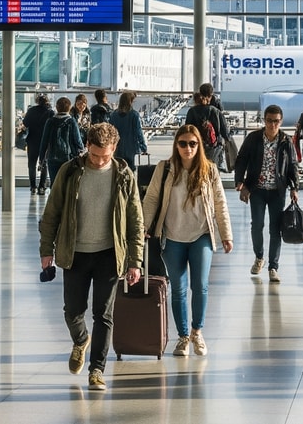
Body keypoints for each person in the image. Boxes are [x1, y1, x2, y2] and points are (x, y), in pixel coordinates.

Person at [38, 122, 144, 391]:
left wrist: (135, 261)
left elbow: (135, 219)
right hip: (75, 253)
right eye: (95, 155)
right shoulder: (70, 171)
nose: (99, 161)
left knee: (103, 314)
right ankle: (80, 340)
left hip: (110, 254)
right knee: (72, 311)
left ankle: (97, 369)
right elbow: (51, 214)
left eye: (105, 155)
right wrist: (46, 251)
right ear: (87, 146)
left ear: (114, 149)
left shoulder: (123, 174)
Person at [140, 125, 233, 357]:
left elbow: (220, 204)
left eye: (193, 143)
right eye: (183, 143)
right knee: (179, 289)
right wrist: (143, 226)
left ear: (199, 145)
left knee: (200, 286)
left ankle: (197, 332)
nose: (188, 148)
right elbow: (151, 199)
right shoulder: (165, 169)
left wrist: (226, 235)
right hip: (172, 236)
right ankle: (182, 337)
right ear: (176, 145)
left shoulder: (209, 170)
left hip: (201, 235)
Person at [233, 105, 300, 283]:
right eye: (269, 121)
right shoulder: (254, 138)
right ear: (264, 120)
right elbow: (242, 159)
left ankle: (273, 266)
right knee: (257, 225)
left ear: (281, 121)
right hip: (257, 189)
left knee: (275, 229)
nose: (272, 125)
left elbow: (293, 165)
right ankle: (259, 256)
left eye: (276, 121)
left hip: (278, 190)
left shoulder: (286, 141)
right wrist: (240, 181)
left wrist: (295, 187)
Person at [183, 84, 229, 168]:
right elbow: (225, 133)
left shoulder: (192, 111)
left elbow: (187, 130)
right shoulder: (216, 111)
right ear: (211, 95)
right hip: (213, 147)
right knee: (212, 170)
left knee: (197, 169)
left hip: (196, 146)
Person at [43, 97, 84, 186]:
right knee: (67, 183)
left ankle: (54, 199)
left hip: (52, 157)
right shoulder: (71, 121)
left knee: (54, 184)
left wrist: (41, 157)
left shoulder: (50, 122)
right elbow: (78, 140)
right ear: (69, 108)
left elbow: (44, 141)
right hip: (68, 158)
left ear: (57, 107)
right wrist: (82, 150)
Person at [22, 94, 56, 195]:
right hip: (45, 141)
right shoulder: (50, 112)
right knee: (44, 163)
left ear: (37, 101)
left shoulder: (32, 110)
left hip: (32, 140)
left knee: (31, 164)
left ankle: (33, 186)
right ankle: (42, 186)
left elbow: (25, 123)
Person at [108, 91, 149, 163]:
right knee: (131, 170)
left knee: (118, 168)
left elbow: (110, 132)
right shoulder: (134, 115)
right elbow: (138, 132)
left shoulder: (113, 115)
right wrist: (143, 147)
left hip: (117, 148)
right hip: (131, 148)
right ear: (130, 102)